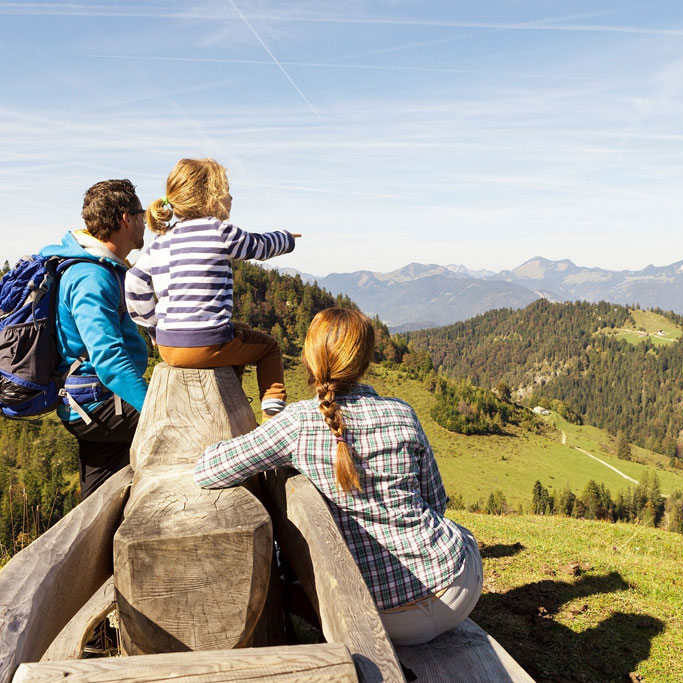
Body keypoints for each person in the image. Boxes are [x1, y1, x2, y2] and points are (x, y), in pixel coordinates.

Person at [193, 308, 483, 646]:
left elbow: (208, 469)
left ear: (308, 359)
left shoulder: (298, 423)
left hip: (376, 615)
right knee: (463, 536)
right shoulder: (403, 413)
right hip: (457, 592)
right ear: (364, 361)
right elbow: (436, 503)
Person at [124, 158, 298, 420]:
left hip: (168, 348)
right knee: (269, 348)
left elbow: (134, 281)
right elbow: (260, 246)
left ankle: (230, 395)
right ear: (211, 197)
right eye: (226, 191)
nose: (231, 197)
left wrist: (154, 328)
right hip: (209, 344)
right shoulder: (219, 231)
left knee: (242, 330)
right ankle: (273, 414)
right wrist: (286, 239)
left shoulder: (161, 240)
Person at [39, 179, 149, 499]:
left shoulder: (100, 268)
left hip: (89, 402)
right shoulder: (92, 277)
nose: (145, 221)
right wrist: (155, 408)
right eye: (140, 214)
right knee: (191, 427)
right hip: (99, 404)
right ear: (126, 219)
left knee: (99, 499)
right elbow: (109, 360)